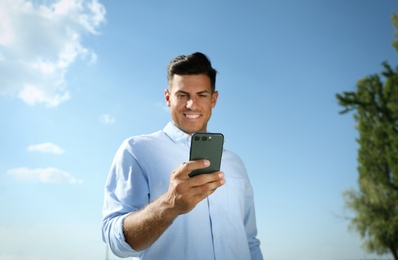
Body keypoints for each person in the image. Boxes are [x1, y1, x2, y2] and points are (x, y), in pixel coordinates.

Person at [102, 52, 263, 259]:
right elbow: (116, 241)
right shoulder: (137, 150)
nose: (191, 105)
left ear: (214, 99)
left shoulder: (235, 163)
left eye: (201, 95)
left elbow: (250, 240)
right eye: (182, 95)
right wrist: (170, 204)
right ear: (168, 98)